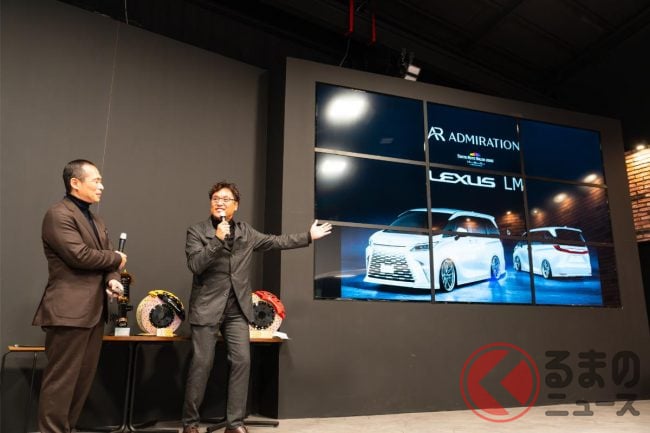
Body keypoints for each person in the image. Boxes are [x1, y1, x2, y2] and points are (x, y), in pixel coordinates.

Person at [182, 181, 332, 433]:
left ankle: (234, 424)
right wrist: (217, 240)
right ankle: (190, 423)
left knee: (242, 362)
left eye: (226, 199)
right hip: (207, 308)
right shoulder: (197, 231)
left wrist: (308, 236)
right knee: (201, 365)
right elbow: (195, 265)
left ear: (236, 206)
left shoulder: (246, 232)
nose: (220, 202)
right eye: (216, 198)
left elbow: (275, 241)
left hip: (237, 310)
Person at [32, 159, 127, 433]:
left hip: (94, 312)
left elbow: (108, 261)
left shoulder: (96, 220)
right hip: (69, 312)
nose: (101, 186)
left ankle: (67, 429)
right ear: (75, 182)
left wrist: (113, 279)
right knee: (61, 382)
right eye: (96, 180)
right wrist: (116, 258)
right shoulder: (58, 214)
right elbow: (80, 256)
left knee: (82, 381)